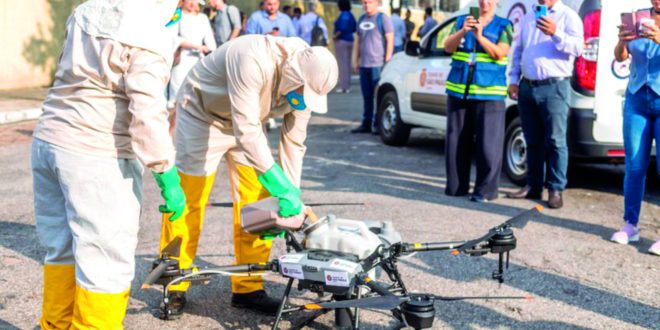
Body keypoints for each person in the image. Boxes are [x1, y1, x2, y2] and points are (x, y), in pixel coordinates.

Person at [157, 35, 338, 317]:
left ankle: (248, 288)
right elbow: (247, 130)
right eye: (303, 92)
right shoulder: (252, 56)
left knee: (258, 203)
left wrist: (289, 196)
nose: (304, 100)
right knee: (188, 200)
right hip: (202, 115)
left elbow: (294, 143)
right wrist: (278, 182)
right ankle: (174, 283)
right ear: (294, 74)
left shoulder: (307, 85)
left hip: (248, 125)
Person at [31, 0, 186, 328]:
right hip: (96, 154)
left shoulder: (88, 10)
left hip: (49, 140)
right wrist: (167, 176)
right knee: (105, 266)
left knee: (61, 251)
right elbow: (147, 115)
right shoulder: (151, 35)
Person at [505, 0, 583, 209]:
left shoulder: (568, 16)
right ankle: (533, 185)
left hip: (555, 86)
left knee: (556, 141)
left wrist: (556, 32)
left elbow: (578, 47)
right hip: (527, 86)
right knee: (532, 139)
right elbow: (519, 50)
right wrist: (513, 79)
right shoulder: (530, 16)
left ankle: (555, 189)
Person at [443, 0, 513, 203]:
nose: (485, 2)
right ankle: (456, 187)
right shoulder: (461, 22)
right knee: (456, 142)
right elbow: (448, 47)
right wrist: (463, 31)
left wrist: (479, 36)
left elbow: (500, 52)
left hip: (489, 92)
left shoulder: (504, 25)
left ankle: (485, 191)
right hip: (459, 90)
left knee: (488, 145)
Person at [610, 3, 660, 256]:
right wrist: (622, 41)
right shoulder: (638, 16)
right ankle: (630, 225)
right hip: (637, 98)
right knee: (635, 165)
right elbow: (620, 57)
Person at [350, 0, 394, 134]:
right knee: (366, 96)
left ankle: (377, 124)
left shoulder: (383, 19)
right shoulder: (361, 19)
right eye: (364, 2)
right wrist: (355, 60)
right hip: (364, 65)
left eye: (369, 2)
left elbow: (390, 39)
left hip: (378, 64)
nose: (366, 5)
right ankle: (366, 123)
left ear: (377, 3)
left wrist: (387, 59)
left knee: (378, 96)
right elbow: (358, 41)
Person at [168, 0, 216, 109]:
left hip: (198, 61)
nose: (192, 3)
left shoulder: (202, 18)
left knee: (195, 97)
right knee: (176, 97)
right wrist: (196, 46)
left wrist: (207, 50)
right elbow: (173, 38)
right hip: (181, 60)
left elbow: (211, 42)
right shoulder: (177, 14)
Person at [333, 0, 357, 93]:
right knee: (347, 64)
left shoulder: (343, 15)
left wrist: (335, 36)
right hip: (350, 40)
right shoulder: (351, 15)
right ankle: (347, 85)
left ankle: (344, 87)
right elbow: (355, 27)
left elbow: (341, 28)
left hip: (341, 41)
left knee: (342, 65)